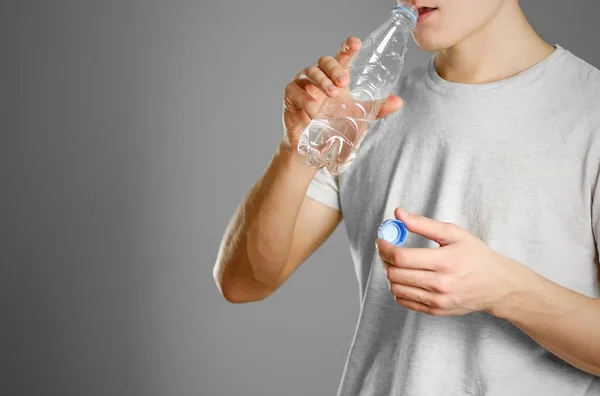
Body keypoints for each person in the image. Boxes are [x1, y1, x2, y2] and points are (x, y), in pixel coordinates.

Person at [213, 0, 600, 394]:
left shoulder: (590, 111)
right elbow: (244, 282)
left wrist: (505, 290)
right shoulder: (367, 113)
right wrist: (295, 152)